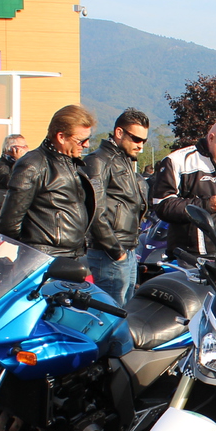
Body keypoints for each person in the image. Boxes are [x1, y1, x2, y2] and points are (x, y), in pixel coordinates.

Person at [0, 105, 98, 260]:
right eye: (81, 140)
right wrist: (31, 249)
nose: (86, 145)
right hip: (44, 259)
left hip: (72, 256)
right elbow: (9, 222)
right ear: (61, 137)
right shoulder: (33, 164)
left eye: (88, 139)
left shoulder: (70, 162)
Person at [151, 116, 216, 260]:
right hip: (194, 257)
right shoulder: (179, 161)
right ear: (211, 138)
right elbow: (162, 205)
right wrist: (205, 205)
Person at [82, 108, 152, 303]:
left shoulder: (123, 160)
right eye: (136, 139)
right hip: (109, 253)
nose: (140, 146)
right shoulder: (98, 160)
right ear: (119, 133)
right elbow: (95, 212)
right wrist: (116, 251)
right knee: (111, 313)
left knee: (123, 310)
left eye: (144, 141)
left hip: (126, 249)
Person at [0, 133, 29, 209]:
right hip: (7, 208)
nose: (27, 149)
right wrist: (19, 162)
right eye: (23, 147)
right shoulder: (1, 167)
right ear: (12, 149)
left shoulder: (24, 164)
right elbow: (14, 184)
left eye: (26, 146)